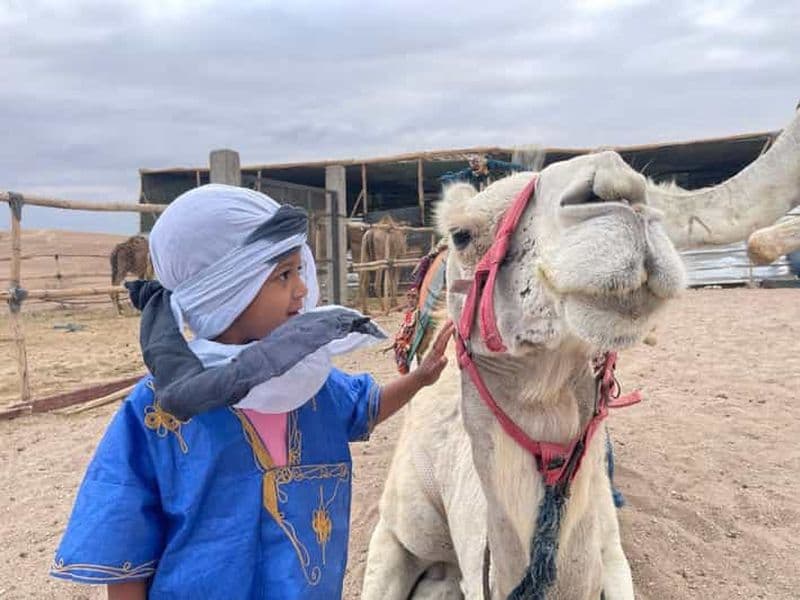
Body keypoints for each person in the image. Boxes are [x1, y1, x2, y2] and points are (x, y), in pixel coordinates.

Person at [50, 184, 454, 600]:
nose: (302, 289)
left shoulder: (309, 383)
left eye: (299, 271)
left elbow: (363, 409)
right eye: (283, 275)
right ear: (227, 292)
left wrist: (420, 378)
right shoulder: (155, 411)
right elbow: (124, 534)